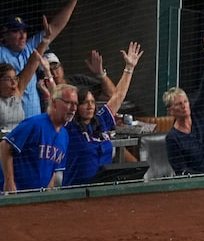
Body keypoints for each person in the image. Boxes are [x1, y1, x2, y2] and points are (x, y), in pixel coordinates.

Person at [0, 0, 85, 119]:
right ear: (4, 35)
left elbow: (56, 27)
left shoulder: (30, 47)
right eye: (16, 31)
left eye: (24, 31)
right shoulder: (1, 52)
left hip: (34, 121)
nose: (23, 36)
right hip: (8, 122)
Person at [62, 42, 144, 187]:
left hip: (102, 189)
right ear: (75, 106)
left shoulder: (101, 121)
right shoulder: (69, 127)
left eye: (93, 102)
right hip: (76, 191)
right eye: (85, 102)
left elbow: (118, 96)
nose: (90, 106)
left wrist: (129, 68)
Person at [0, 82, 77, 192]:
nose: (73, 108)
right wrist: (9, 182)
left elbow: (54, 170)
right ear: (55, 103)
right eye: (69, 103)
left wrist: (47, 192)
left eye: (75, 104)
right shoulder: (35, 124)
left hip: (37, 197)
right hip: (15, 192)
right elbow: (5, 146)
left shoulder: (64, 135)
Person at [164, 36, 204, 176]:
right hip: (196, 187)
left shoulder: (198, 115)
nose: (184, 106)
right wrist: (203, 177)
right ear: (171, 111)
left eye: (185, 102)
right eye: (179, 104)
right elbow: (181, 170)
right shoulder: (173, 138)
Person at [0, 17, 53, 131]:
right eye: (9, 79)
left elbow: (31, 64)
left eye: (15, 78)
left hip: (20, 142)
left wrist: (46, 39)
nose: (14, 83)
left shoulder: (17, 92)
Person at [37, 49, 117, 110]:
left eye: (56, 68)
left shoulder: (78, 80)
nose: (54, 73)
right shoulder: (43, 91)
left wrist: (101, 74)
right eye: (49, 70)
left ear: (62, 67)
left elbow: (112, 95)